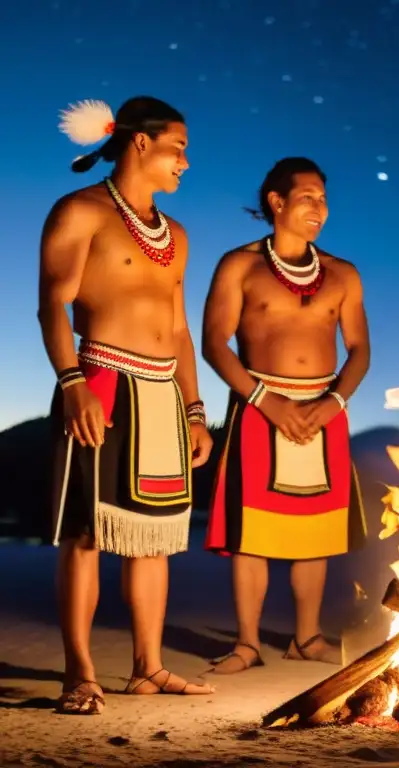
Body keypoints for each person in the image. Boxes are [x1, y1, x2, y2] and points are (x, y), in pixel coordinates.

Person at [39, 96, 216, 714]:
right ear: (141, 143)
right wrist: (72, 383)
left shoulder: (178, 237)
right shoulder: (81, 211)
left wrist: (195, 410)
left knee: (156, 540)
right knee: (87, 534)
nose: (186, 163)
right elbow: (52, 306)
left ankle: (148, 668)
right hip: (102, 382)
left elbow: (181, 329)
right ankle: (79, 674)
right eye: (180, 148)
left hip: (164, 394)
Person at [202, 157, 370, 674]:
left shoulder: (343, 273)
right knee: (253, 536)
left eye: (323, 198)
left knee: (313, 534)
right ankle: (247, 645)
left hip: (324, 411)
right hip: (258, 407)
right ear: (276, 202)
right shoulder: (240, 266)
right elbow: (214, 343)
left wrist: (333, 403)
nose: (319, 208)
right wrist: (265, 401)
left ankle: (306, 637)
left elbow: (359, 349)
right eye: (307, 198)